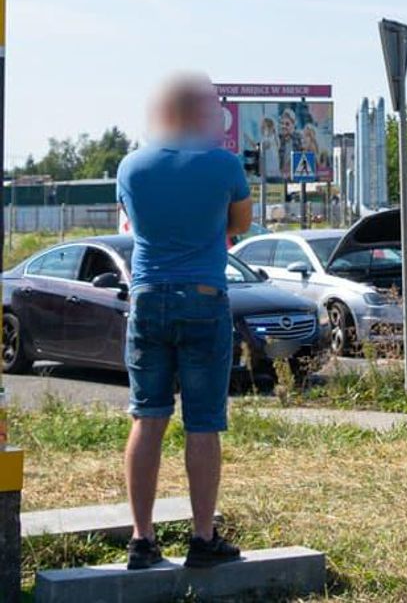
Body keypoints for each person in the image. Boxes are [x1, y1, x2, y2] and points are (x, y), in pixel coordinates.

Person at [116, 73, 253, 570]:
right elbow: (239, 224)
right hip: (203, 295)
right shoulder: (225, 164)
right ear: (197, 114)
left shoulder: (131, 166)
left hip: (148, 297)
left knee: (146, 416)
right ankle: (201, 538)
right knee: (203, 423)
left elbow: (133, 223)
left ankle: (141, 540)